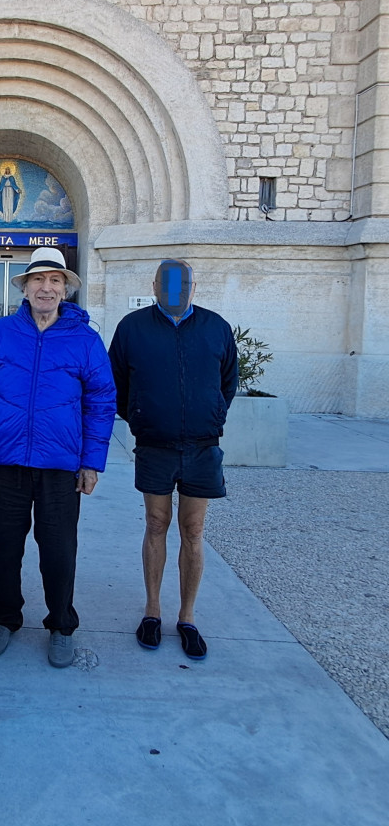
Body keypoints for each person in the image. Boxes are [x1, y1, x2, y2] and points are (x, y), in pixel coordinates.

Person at [0, 247, 116, 668]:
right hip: (6, 460)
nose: (46, 287)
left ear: (65, 289)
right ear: (25, 288)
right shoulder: (0, 333)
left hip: (61, 466)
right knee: (4, 548)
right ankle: (5, 618)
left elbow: (101, 401)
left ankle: (61, 625)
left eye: (55, 280)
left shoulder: (86, 339)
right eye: (38, 279)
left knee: (58, 550)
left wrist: (92, 462)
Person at [108, 259, 238, 660]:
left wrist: (212, 415)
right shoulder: (132, 328)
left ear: (194, 289)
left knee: (194, 530)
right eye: (168, 286)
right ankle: (152, 611)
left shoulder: (216, 328)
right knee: (156, 523)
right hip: (155, 446)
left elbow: (228, 382)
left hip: (202, 446)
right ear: (154, 287)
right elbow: (117, 385)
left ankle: (187, 616)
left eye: (183, 286)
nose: (176, 293)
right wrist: (143, 419)